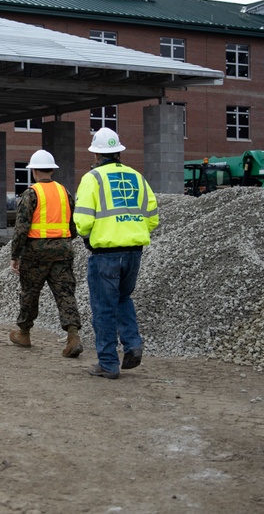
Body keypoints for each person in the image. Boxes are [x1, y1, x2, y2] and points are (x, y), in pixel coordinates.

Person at [74, 127, 159, 379]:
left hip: (106, 254)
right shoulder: (137, 177)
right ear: (118, 152)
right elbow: (152, 218)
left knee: (103, 308)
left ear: (98, 155)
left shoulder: (93, 178)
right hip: (134, 251)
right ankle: (132, 344)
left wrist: (89, 235)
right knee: (123, 299)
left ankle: (108, 364)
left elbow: (83, 221)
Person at [8, 150, 83, 358]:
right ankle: (73, 336)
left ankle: (24, 333)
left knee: (30, 292)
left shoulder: (31, 194)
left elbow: (21, 228)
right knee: (65, 292)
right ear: (52, 170)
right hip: (63, 250)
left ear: (33, 171)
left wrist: (15, 255)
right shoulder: (65, 192)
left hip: (36, 252)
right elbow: (72, 225)